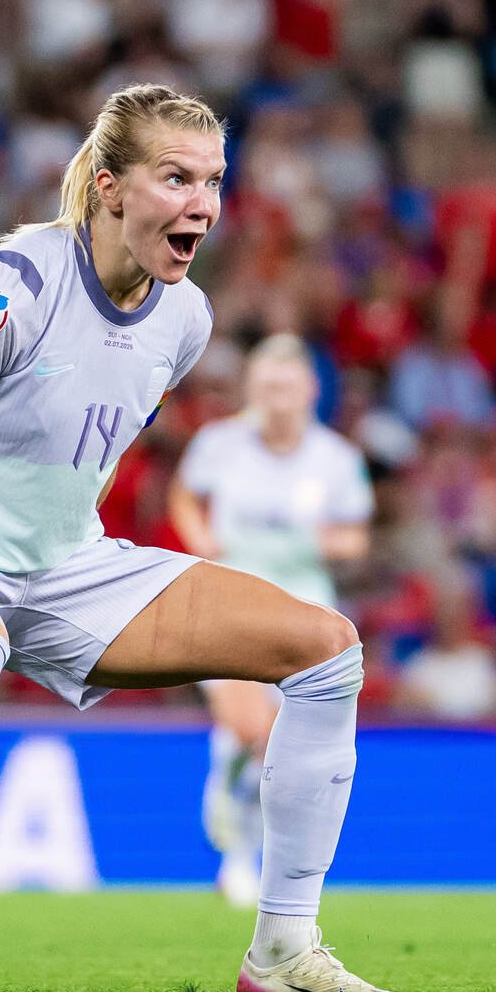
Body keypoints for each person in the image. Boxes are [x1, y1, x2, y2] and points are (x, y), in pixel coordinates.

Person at [0, 84, 405, 992]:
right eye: (175, 178)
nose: (202, 202)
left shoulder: (186, 320)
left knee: (328, 653)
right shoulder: (10, 295)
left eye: (212, 181)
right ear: (111, 188)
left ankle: (283, 949)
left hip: (66, 569)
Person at [169, 333, 374, 907]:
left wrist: (328, 541)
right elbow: (183, 497)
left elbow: (357, 536)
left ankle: (243, 835)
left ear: (309, 390)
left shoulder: (336, 458)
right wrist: (198, 536)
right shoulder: (220, 443)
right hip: (231, 601)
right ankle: (237, 849)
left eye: (285, 386)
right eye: (264, 387)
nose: (275, 398)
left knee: (281, 748)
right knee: (252, 729)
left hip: (306, 610)